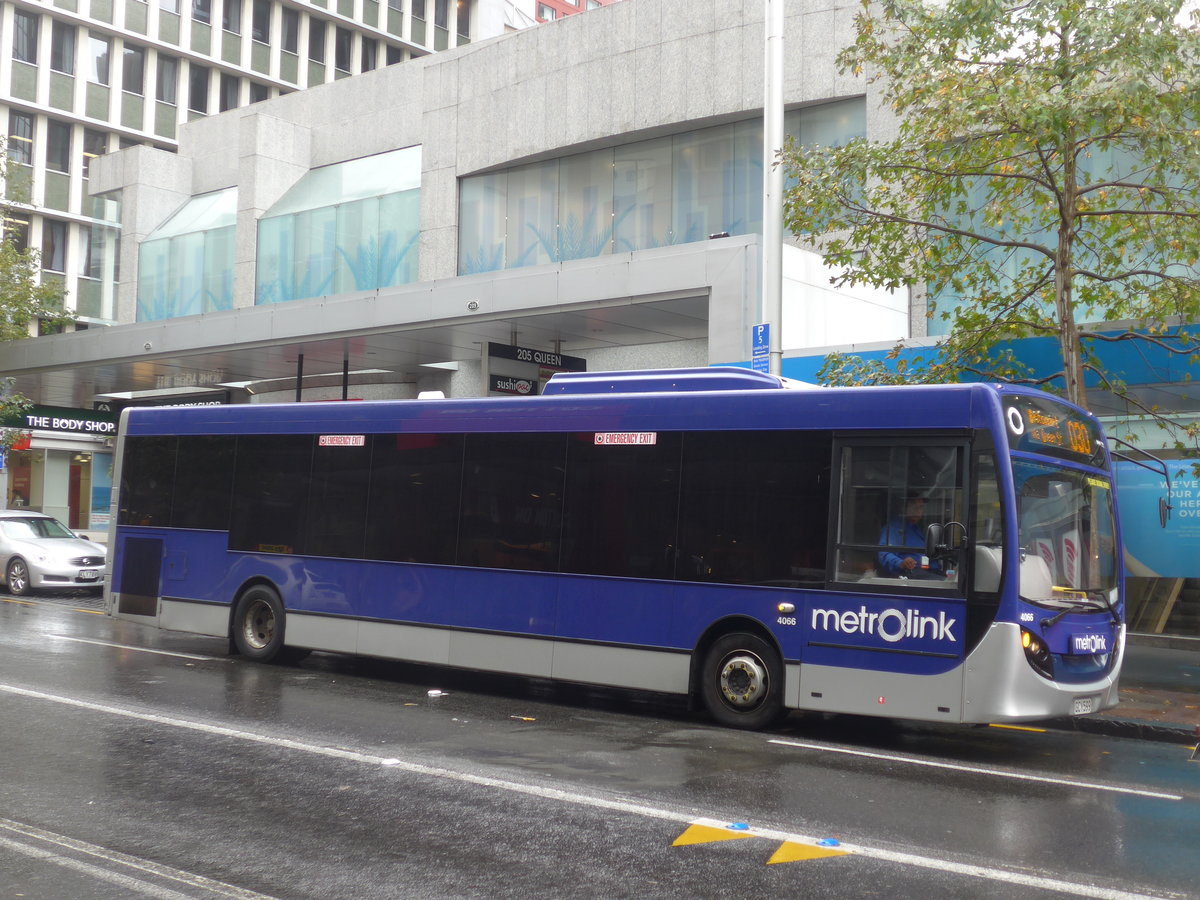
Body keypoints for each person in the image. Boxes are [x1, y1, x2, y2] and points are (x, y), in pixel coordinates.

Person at [877, 495, 941, 578]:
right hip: (907, 573)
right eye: (914, 507)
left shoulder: (916, 529)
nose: (918, 511)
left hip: (926, 570)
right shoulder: (893, 528)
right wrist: (901, 563)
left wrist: (936, 567)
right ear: (903, 508)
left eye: (920, 507)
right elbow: (884, 553)